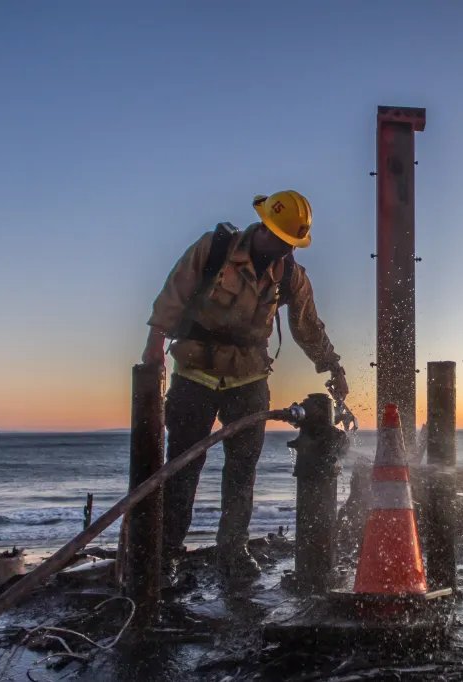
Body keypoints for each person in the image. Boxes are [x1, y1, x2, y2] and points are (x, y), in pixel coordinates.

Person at [142, 190, 349, 582]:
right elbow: (174, 292)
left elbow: (307, 326)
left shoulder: (291, 275)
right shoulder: (214, 248)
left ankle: (232, 552)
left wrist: (332, 366)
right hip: (194, 374)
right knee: (184, 466)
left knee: (241, 473)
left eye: (292, 244)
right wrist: (154, 345)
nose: (287, 249)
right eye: (282, 240)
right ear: (264, 229)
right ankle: (166, 555)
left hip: (250, 379)